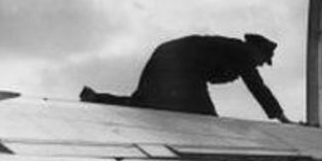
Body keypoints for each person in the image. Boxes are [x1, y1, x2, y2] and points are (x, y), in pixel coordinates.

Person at [81, 33, 292, 123]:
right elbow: (257, 87)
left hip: (167, 56)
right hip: (183, 65)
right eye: (264, 59)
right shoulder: (243, 53)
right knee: (207, 121)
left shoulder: (237, 50)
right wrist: (281, 117)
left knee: (143, 103)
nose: (262, 63)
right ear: (256, 50)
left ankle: (96, 99)